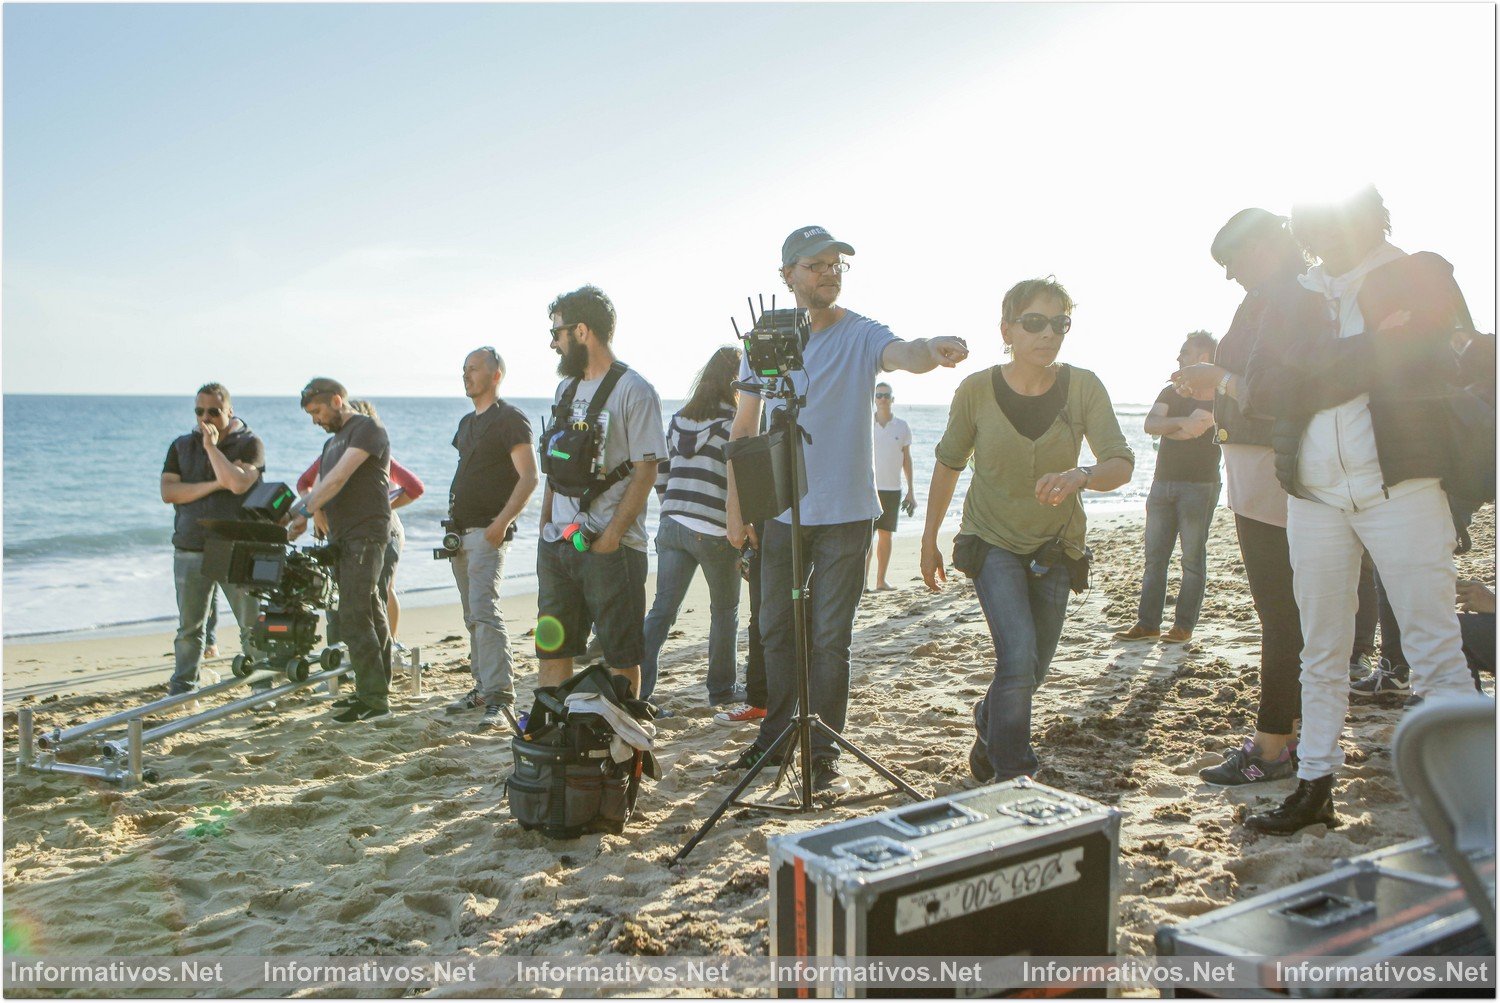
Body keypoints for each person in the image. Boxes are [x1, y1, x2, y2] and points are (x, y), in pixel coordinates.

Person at [1237, 185, 1478, 834]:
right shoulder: (1293, 294)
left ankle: (1471, 799)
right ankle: (1315, 783)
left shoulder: (1420, 272)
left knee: (1433, 646)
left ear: (1374, 217)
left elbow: (1434, 358)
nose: (1330, 234)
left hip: (1402, 485)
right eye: (1317, 225)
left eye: (1345, 219)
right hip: (1313, 493)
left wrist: (1309, 375)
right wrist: (1369, 352)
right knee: (1322, 646)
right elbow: (1263, 391)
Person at [723, 225, 970, 795]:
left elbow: (902, 353)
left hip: (849, 513)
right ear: (786, 274)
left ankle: (823, 748)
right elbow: (744, 426)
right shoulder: (763, 338)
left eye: (837, 265)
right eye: (816, 264)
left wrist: (931, 350)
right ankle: (778, 734)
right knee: (776, 630)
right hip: (783, 513)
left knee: (831, 637)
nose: (829, 273)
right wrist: (738, 510)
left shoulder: (860, 333)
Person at [922, 277, 1134, 784]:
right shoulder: (975, 390)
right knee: (1016, 658)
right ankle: (1016, 774)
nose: (1048, 334)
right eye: (1034, 323)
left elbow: (1120, 464)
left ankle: (987, 723)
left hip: (1058, 546)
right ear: (1007, 330)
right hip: (991, 539)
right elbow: (949, 463)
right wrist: (928, 538)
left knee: (1032, 670)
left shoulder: (1083, 386)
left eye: (1058, 323)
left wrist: (1079, 475)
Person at [536, 285, 666, 697]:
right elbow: (555, 466)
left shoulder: (635, 390)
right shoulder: (565, 390)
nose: (552, 342)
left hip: (613, 549)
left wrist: (610, 539)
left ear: (581, 331)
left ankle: (622, 747)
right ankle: (554, 741)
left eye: (556, 331)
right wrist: (545, 522)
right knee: (552, 649)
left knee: (620, 655)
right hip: (559, 544)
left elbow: (646, 471)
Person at [640, 346, 745, 707]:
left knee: (662, 611)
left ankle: (637, 688)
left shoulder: (679, 419)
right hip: (715, 531)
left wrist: (674, 509)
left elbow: (661, 475)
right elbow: (740, 485)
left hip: (671, 525)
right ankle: (721, 691)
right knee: (724, 612)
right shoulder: (737, 422)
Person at [290, 378, 394, 723]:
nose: (315, 420)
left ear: (337, 400)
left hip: (366, 533)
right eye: (310, 414)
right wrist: (304, 518)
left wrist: (302, 510)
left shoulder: (366, 428)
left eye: (317, 411)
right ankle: (376, 691)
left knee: (353, 612)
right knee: (370, 608)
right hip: (341, 537)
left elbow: (338, 480)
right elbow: (322, 487)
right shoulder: (331, 443)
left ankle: (373, 698)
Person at [443, 347, 537, 727]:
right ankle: (481, 688)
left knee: (485, 611)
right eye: (464, 368)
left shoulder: (511, 419)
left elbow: (530, 477)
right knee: (472, 616)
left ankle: (500, 697)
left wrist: (501, 523)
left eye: (475, 368)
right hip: (458, 533)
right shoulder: (467, 423)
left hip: (488, 531)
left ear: (496, 374)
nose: (466, 375)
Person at [160, 383, 267, 695]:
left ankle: (262, 689)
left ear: (229, 411)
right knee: (189, 629)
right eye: (199, 411)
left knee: (251, 624)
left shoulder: (250, 444)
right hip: (190, 546)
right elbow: (169, 492)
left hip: (237, 546)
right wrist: (212, 484)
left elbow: (236, 484)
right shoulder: (180, 445)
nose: (204, 418)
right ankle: (183, 690)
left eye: (213, 412)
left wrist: (211, 448)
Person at [1114, 332, 1221, 645]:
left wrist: (1173, 425)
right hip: (1162, 482)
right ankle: (1148, 624)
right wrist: (1182, 423)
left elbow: (1195, 428)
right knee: (1154, 560)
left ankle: (1183, 627)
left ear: (1203, 358)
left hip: (1200, 485)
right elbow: (1150, 425)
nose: (1178, 359)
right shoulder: (1169, 391)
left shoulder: (1218, 397)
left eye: (1185, 353)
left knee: (1192, 561)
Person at [297, 400, 425, 639]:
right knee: (345, 590)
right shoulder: (333, 453)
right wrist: (316, 511)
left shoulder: (377, 451)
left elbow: (415, 487)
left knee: (381, 589)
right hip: (346, 527)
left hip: (382, 525)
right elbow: (303, 483)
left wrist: (382, 506)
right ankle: (350, 651)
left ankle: (389, 646)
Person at [865, 382, 916, 592]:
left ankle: (881, 581)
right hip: (868, 488)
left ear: (893, 399)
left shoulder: (902, 426)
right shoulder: (866, 424)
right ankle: (862, 583)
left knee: (886, 535)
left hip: (892, 489)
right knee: (866, 538)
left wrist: (911, 491)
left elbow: (907, 460)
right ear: (874, 399)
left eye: (886, 395)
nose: (883, 399)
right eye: (879, 395)